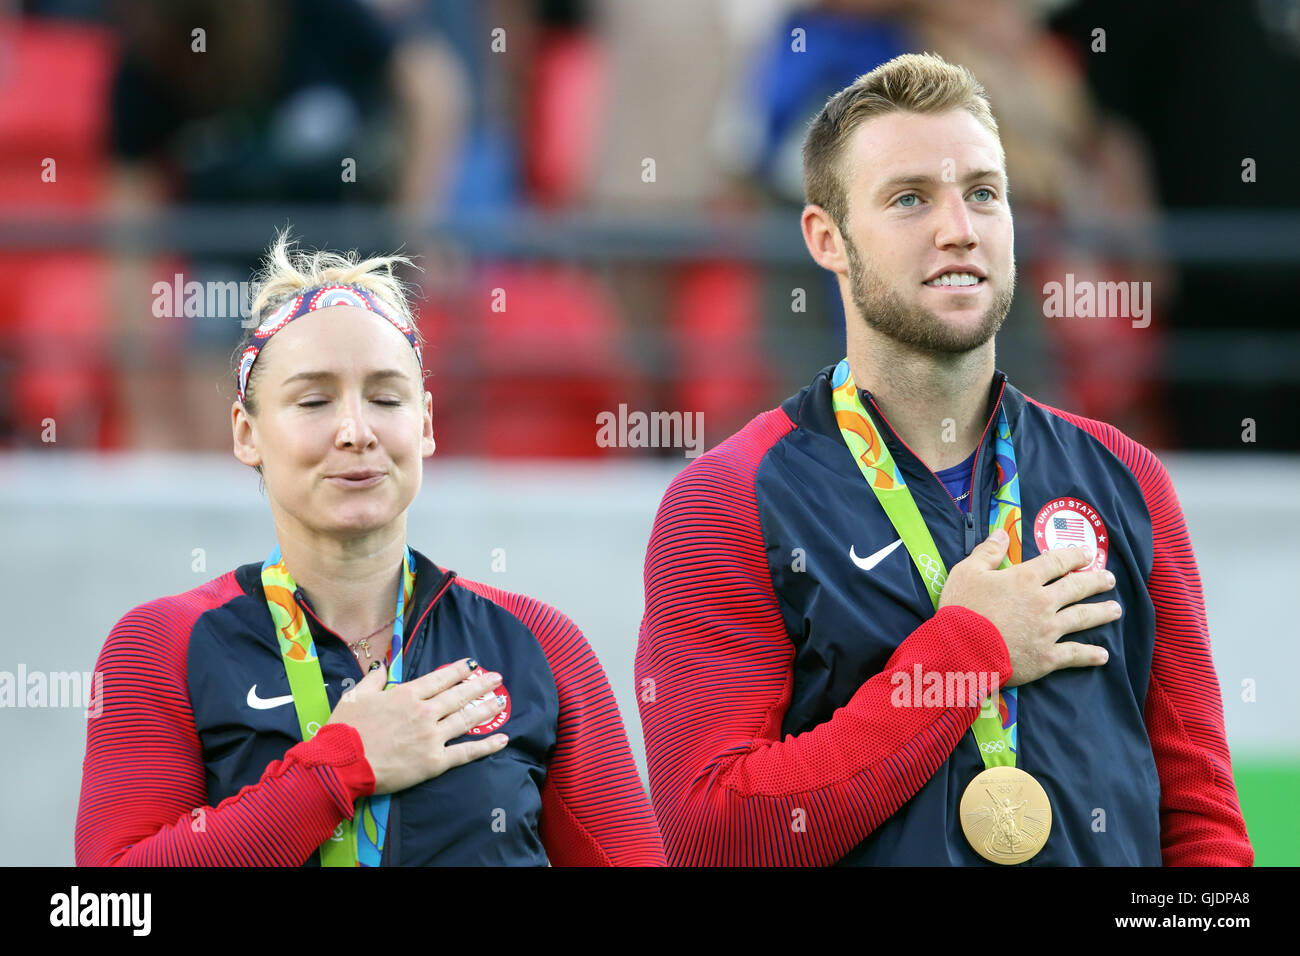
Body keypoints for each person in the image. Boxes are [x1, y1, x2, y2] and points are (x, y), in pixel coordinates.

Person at [634, 53, 1253, 866]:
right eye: (909, 199)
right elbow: (714, 833)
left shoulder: (1126, 477)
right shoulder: (727, 501)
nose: (958, 227)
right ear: (828, 239)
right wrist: (966, 652)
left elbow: (1202, 822)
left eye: (983, 194)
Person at [75, 232, 665, 866]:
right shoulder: (163, 644)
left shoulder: (538, 643)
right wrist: (336, 770)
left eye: (386, 398)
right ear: (248, 435)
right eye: (313, 401)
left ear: (427, 425)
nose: (356, 432)